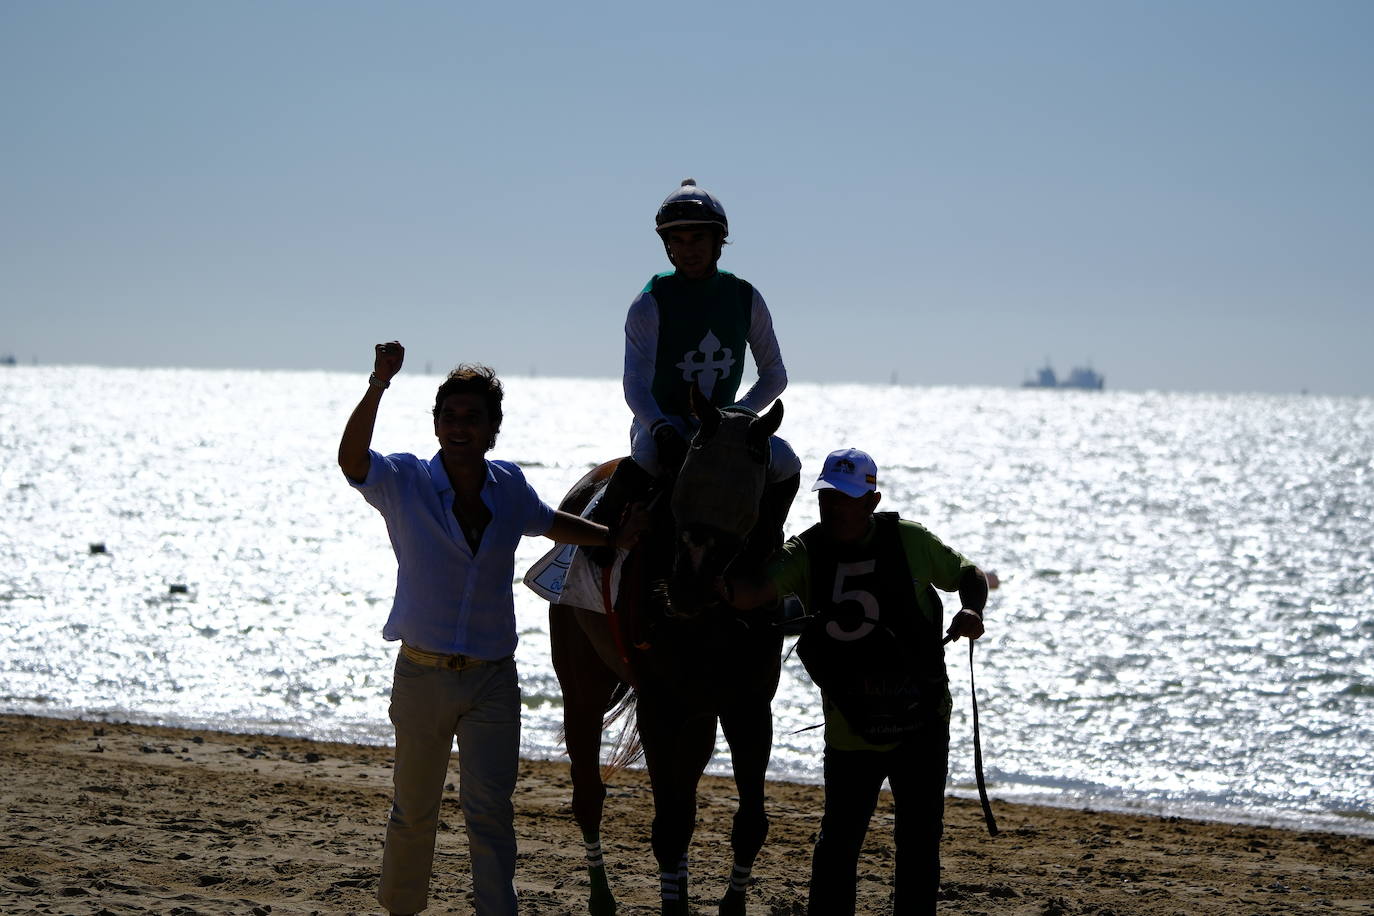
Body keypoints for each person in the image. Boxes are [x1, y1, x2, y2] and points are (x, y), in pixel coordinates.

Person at [338, 341, 645, 916]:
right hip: (423, 674)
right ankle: (402, 908)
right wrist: (378, 384)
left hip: (492, 681)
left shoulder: (508, 487)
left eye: (472, 418)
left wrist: (612, 538)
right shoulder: (403, 481)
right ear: (435, 423)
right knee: (414, 807)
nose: (459, 427)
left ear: (492, 428)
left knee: (490, 810)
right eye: (449, 417)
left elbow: (550, 522)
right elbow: (351, 460)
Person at [722, 448, 989, 916]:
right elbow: (748, 595)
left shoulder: (909, 540)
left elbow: (968, 575)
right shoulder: (804, 552)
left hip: (921, 722)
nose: (835, 508)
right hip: (851, 727)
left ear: (871, 499)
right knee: (838, 845)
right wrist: (705, 574)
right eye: (828, 498)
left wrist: (972, 610)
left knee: (919, 842)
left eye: (846, 499)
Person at [587, 178, 801, 561]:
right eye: (678, 241)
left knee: (786, 463)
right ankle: (598, 541)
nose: (688, 250)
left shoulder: (745, 297)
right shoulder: (649, 303)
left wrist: (739, 414)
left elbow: (774, 374)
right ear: (667, 246)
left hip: (725, 424)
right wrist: (661, 427)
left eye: (698, 239)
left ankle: (768, 542)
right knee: (649, 457)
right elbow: (635, 384)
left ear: (719, 241)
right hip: (663, 419)